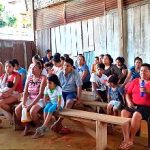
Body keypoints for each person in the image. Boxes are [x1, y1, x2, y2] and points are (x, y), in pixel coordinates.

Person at [119, 63, 150, 149]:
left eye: (146, 71)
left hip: (146, 107)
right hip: (133, 105)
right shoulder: (135, 81)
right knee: (124, 112)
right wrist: (129, 102)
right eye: (141, 71)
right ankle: (126, 138)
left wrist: (147, 91)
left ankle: (131, 140)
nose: (143, 72)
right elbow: (127, 93)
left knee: (136, 115)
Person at [51, 58, 82, 133]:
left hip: (71, 93)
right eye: (64, 65)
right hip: (61, 92)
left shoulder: (75, 73)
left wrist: (79, 98)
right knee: (54, 104)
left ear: (72, 66)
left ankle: (58, 123)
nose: (65, 67)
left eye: (68, 66)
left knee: (69, 102)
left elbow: (79, 86)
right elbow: (55, 85)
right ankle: (59, 125)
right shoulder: (60, 73)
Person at [15, 61, 47, 136]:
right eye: (31, 68)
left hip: (40, 99)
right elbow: (25, 92)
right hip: (30, 98)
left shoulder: (43, 78)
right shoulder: (29, 78)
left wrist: (30, 105)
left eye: (34, 68)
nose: (32, 69)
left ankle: (39, 128)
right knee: (17, 110)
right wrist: (23, 103)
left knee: (32, 111)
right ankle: (27, 126)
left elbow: (40, 94)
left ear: (40, 69)